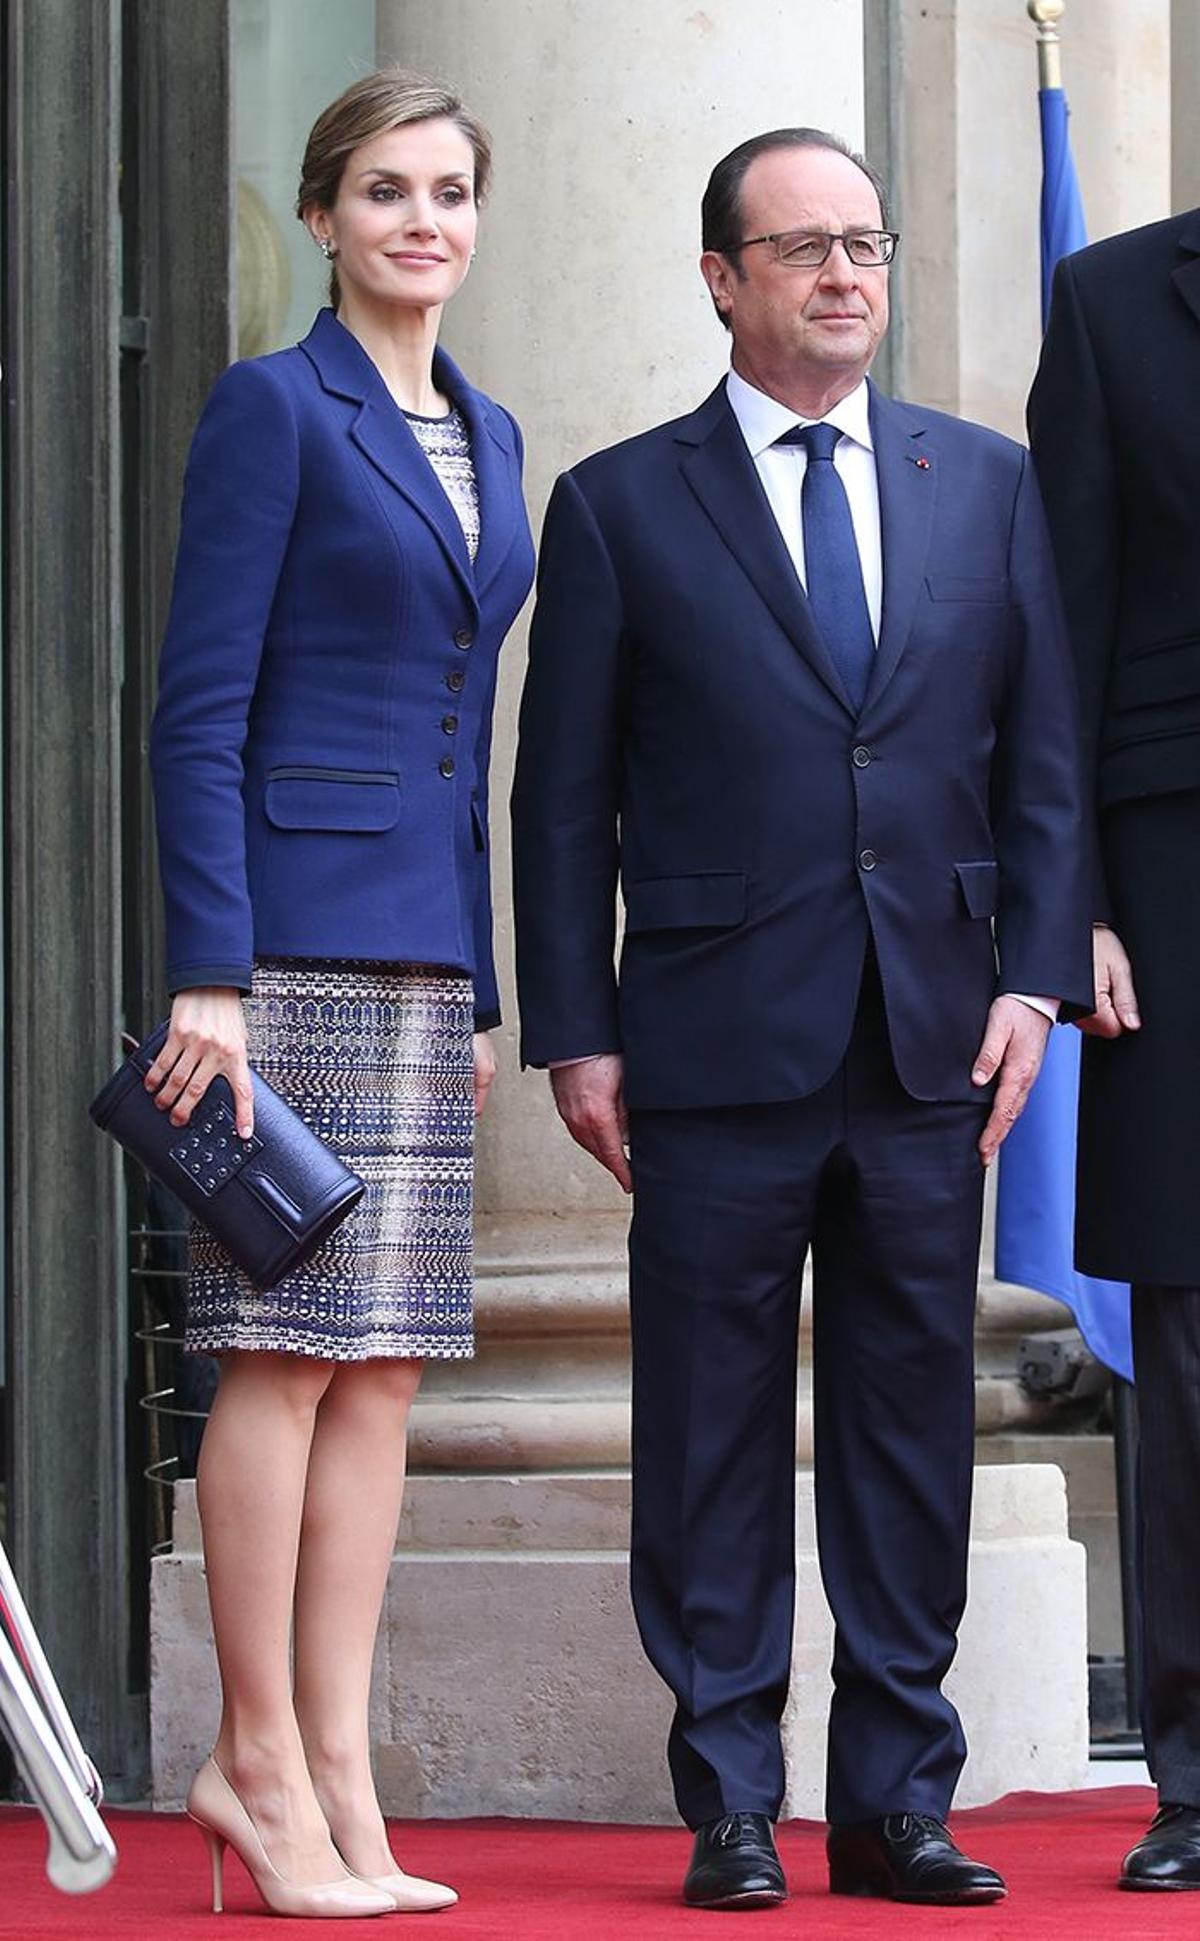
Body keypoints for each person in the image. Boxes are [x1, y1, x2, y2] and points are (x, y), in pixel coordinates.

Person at [512, 127, 1093, 1912]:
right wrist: (574, 1029)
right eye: (804, 247)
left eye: (867, 241)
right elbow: (561, 799)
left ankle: (902, 1794)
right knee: (706, 1432)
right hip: (706, 1040)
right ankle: (732, 1793)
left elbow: (1045, 766)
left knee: (915, 1418)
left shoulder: (984, 483)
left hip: (931, 1037)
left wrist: (1030, 978)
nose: (846, 273)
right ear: (722, 277)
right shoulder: (619, 502)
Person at [147, 68, 534, 1919]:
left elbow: (468, 742)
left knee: (381, 1371)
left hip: (416, 954)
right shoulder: (269, 409)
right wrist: (205, 975)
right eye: (386, 190)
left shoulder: (494, 431)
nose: (423, 221)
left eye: (451, 191)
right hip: (282, 950)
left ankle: (345, 1772)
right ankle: (255, 1757)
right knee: (281, 1354)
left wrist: (473, 981)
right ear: (321, 218)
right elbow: (195, 709)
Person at [1029, 209, 1200, 1891]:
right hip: (1173, 879)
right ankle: (1199, 1776)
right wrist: (1063, 896)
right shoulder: (1112, 299)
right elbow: (1059, 616)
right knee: (1194, 1334)